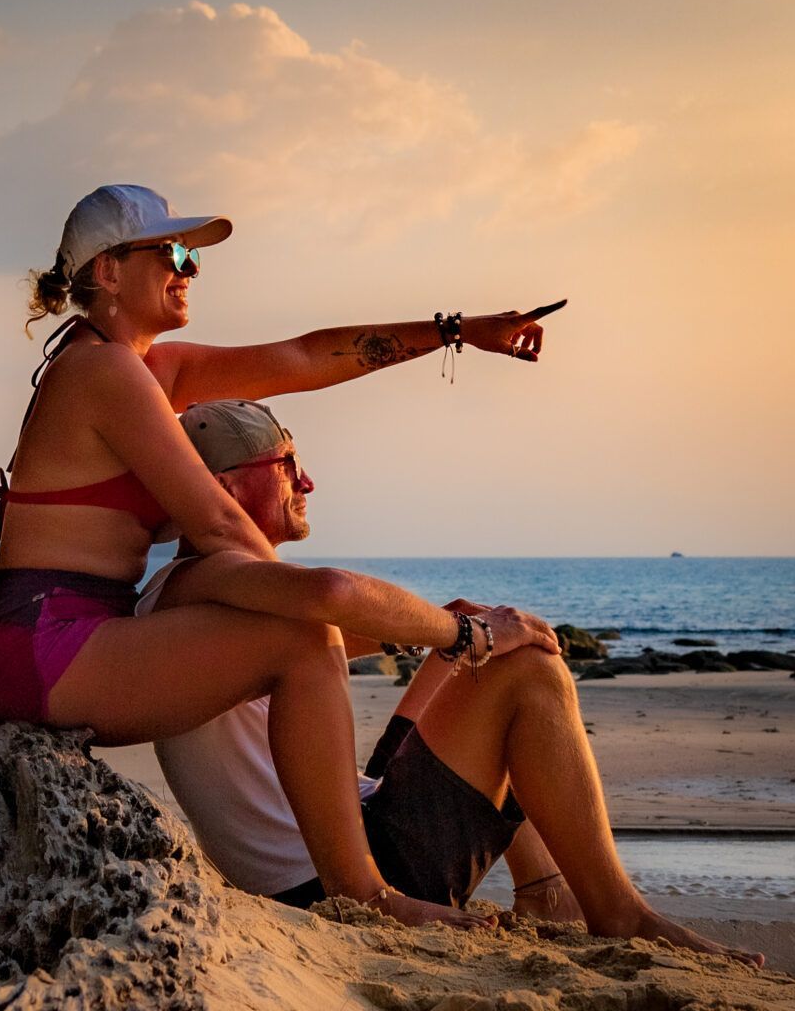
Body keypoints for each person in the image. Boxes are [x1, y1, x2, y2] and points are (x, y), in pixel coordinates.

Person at [0, 182, 554, 930]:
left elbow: (306, 356)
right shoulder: (99, 372)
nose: (191, 268)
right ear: (107, 272)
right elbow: (215, 520)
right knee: (301, 638)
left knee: (311, 627)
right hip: (40, 639)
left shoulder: (147, 371)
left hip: (63, 634)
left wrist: (457, 331)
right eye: (173, 253)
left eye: (193, 255)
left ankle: (432, 883)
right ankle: (363, 895)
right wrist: (326, 601)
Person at [138, 400, 760, 962]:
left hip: (348, 832)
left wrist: (453, 628)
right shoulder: (197, 583)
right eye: (285, 462)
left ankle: (544, 890)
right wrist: (474, 635)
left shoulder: (221, 599)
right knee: (528, 671)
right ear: (221, 489)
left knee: (477, 645)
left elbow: (345, 630)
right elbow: (334, 592)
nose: (306, 480)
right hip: (333, 876)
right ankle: (618, 913)